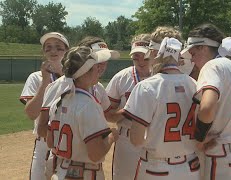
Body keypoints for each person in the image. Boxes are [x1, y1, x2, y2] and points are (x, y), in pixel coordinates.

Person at [181, 23, 231, 180]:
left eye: (193, 53)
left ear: (203, 47)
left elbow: (207, 107)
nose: (192, 60)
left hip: (223, 158)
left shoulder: (213, 65)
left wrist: (200, 138)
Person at [37, 36, 119, 179]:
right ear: (85, 72)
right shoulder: (88, 104)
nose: (99, 68)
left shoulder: (59, 100)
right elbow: (96, 154)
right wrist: (112, 136)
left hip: (60, 170)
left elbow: (50, 142)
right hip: (84, 172)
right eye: (94, 67)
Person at [122, 37, 200, 180]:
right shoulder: (194, 84)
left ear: (157, 55)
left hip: (156, 168)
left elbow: (136, 139)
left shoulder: (147, 86)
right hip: (189, 167)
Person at [19, 32, 69, 180]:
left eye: (59, 47)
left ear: (67, 50)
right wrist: (45, 81)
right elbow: (31, 114)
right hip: (44, 142)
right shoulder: (36, 77)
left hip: (69, 141)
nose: (53, 51)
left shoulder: (74, 77)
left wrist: (63, 74)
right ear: (43, 52)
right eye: (48, 47)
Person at [104, 33, 151, 180]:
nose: (140, 60)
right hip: (127, 138)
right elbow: (107, 115)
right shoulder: (121, 77)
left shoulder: (162, 76)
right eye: (136, 56)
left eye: (144, 56)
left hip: (155, 137)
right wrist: (127, 111)